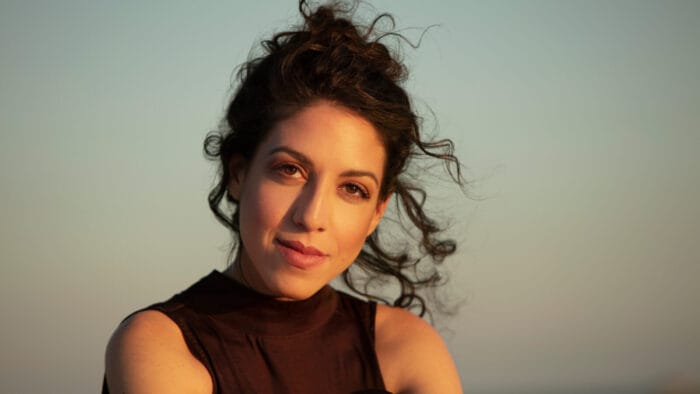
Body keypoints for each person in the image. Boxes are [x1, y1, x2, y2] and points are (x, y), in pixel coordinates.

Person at [104, 1, 464, 393]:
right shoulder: (160, 345)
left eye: (352, 189)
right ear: (238, 174)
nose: (312, 216)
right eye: (290, 170)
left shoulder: (404, 349)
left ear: (377, 212)